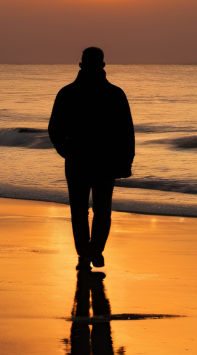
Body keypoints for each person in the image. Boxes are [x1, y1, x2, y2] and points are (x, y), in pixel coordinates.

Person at [48, 47, 135, 270]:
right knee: (101, 209)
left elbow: (54, 130)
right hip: (103, 160)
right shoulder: (115, 94)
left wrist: (66, 150)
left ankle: (87, 252)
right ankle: (94, 250)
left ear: (81, 65)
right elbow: (127, 132)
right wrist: (126, 161)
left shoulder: (68, 93)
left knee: (80, 209)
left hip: (80, 159)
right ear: (103, 67)